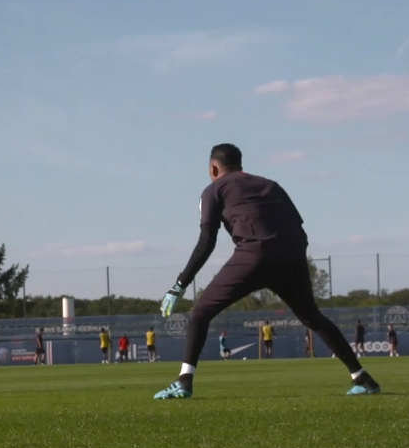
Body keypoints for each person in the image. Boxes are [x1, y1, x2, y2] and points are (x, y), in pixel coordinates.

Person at [155, 143, 380, 399]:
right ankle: (362, 378)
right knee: (312, 317)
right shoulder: (271, 185)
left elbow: (207, 240)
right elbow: (298, 225)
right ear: (240, 164)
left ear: (213, 168)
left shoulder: (213, 190)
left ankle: (184, 382)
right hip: (291, 255)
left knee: (201, 312)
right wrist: (293, 255)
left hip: (254, 255)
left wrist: (180, 284)